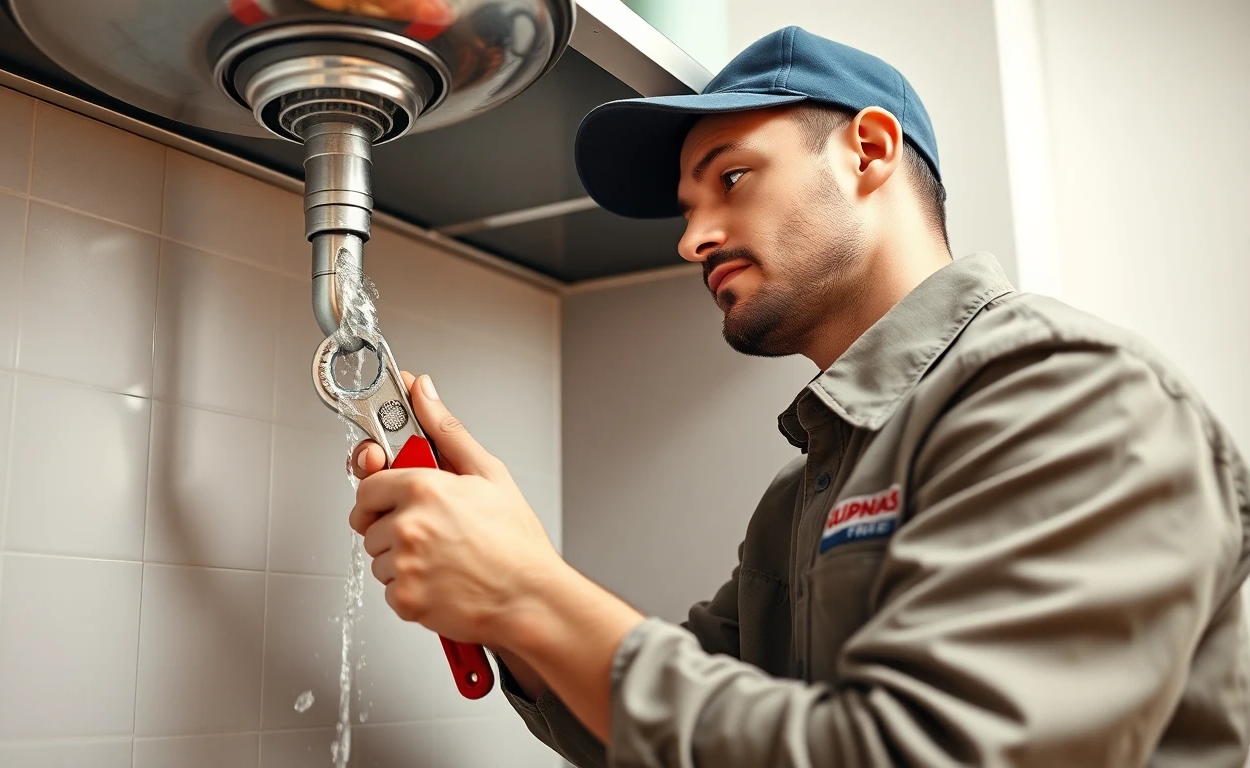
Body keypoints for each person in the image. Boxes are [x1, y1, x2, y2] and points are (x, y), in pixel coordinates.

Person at [345, 25, 1250, 766]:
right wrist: (501, 597)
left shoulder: (1069, 399)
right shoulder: (805, 490)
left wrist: (529, 593)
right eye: (684, 205)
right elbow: (689, 720)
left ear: (868, 151)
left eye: (731, 177)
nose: (691, 237)